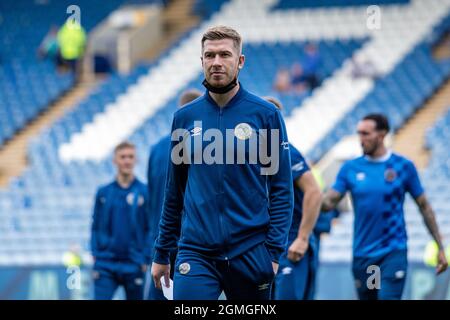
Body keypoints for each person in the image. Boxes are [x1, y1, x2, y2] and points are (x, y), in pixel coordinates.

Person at [151, 25, 294, 300]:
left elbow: (281, 190)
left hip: (251, 253)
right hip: (196, 252)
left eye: (225, 55)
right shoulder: (185, 118)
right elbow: (174, 192)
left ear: (240, 61)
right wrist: (162, 251)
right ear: (202, 61)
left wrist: (273, 253)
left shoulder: (265, 116)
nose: (216, 62)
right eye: (210, 55)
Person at [321, 113, 448, 300]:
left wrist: (440, 247)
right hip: (364, 255)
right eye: (359, 134)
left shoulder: (403, 166)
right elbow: (328, 202)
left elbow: (424, 206)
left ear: (381, 134)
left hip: (392, 252)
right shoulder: (351, 168)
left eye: (366, 134)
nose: (361, 139)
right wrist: (307, 194)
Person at [145, 88, 202, 300]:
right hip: (191, 241)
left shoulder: (156, 149)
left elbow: (152, 198)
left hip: (160, 240)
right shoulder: (205, 147)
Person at [264, 97, 322, 300]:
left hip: (291, 243)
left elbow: (314, 192)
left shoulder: (286, 152)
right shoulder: (256, 154)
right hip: (268, 245)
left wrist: (302, 238)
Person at [90, 142, 151, 300]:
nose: (127, 161)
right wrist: (96, 253)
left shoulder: (145, 192)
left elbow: (150, 228)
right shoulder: (103, 193)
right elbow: (95, 226)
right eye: (122, 157)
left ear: (136, 160)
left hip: (134, 264)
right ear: (114, 160)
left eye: (130, 157)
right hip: (105, 264)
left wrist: (145, 257)